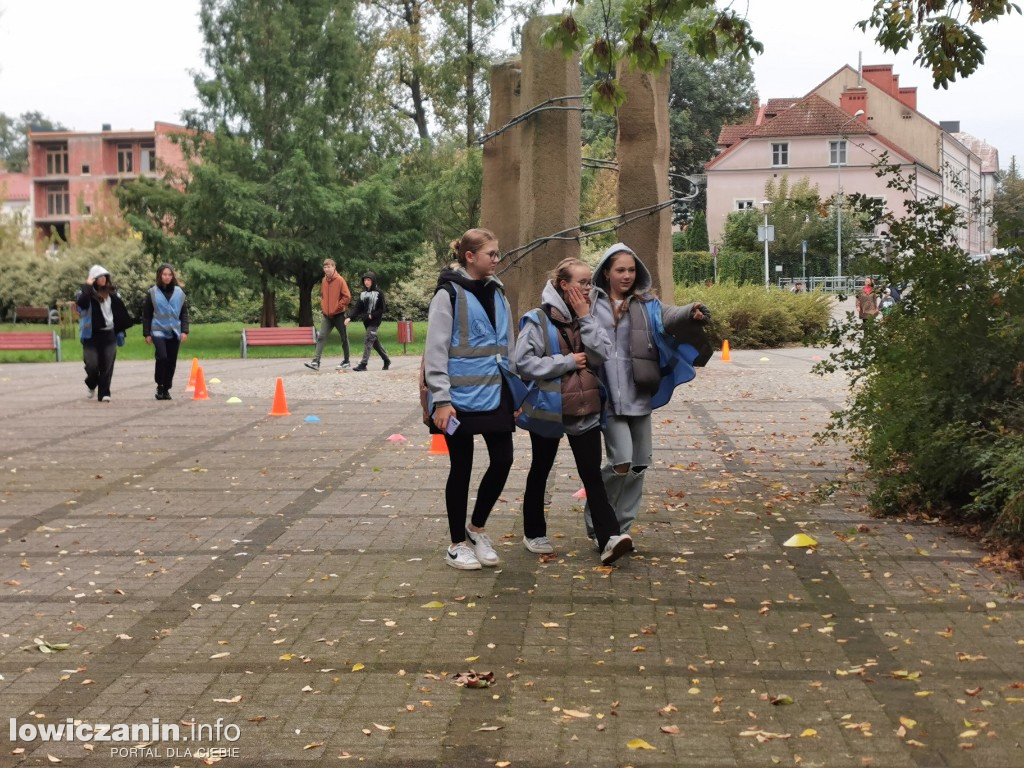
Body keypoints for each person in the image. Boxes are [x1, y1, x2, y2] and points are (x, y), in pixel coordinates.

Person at [585, 243, 712, 544]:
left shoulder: (646, 304)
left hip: (639, 395)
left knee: (639, 465)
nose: (627, 275)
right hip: (607, 399)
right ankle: (598, 520)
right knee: (621, 463)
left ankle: (621, 528)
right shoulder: (590, 303)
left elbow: (670, 316)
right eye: (620, 270)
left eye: (631, 270)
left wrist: (691, 312)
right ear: (606, 272)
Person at [514, 258, 633, 564]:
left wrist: (586, 318)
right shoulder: (537, 319)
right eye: (581, 282)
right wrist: (565, 362)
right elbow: (522, 363)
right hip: (549, 409)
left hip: (586, 408)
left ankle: (609, 538)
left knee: (591, 474)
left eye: (589, 283)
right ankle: (534, 532)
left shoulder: (589, 316)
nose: (587, 288)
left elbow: (603, 353)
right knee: (541, 469)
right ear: (563, 285)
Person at [424, 228, 519, 570]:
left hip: (496, 394)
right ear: (470, 256)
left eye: (497, 253)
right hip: (457, 400)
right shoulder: (447, 294)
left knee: (503, 460)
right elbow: (435, 350)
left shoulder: (498, 292)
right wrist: (442, 399)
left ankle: (476, 529)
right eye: (491, 253)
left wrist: (514, 390)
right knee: (460, 468)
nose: (497, 259)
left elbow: (507, 346)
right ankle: (456, 545)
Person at [76, 264, 132, 403]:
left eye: (105, 276)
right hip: (91, 335)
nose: (103, 279)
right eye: (99, 277)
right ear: (93, 279)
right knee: (91, 365)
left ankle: (105, 392)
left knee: (107, 365)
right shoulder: (86, 295)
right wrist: (87, 286)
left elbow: (120, 312)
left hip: (109, 334)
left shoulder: (113, 294)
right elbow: (80, 305)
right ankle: (91, 383)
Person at [142, 263, 189, 400]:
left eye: (169, 274)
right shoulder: (152, 292)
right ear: (159, 276)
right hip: (158, 330)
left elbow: (184, 314)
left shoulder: (179, 293)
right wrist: (147, 333)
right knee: (162, 357)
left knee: (171, 361)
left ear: (172, 276)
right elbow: (147, 314)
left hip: (174, 331)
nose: (167, 277)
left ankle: (166, 388)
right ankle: (159, 385)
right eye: (164, 274)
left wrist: (184, 330)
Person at [305, 259, 352, 371]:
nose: (326, 269)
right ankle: (316, 361)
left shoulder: (340, 280)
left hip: (339, 315)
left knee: (344, 338)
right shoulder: (324, 281)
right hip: (327, 316)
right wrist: (324, 306)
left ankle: (346, 361)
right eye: (325, 267)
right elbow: (323, 296)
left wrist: (338, 306)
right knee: (321, 337)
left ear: (334, 267)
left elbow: (347, 297)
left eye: (329, 267)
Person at [345, 272, 390, 371]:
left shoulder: (379, 293)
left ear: (373, 281)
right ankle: (386, 359)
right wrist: (350, 317)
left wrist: (372, 315)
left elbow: (382, 309)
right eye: (365, 280)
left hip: (375, 321)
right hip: (366, 322)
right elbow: (358, 308)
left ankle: (363, 364)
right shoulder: (363, 294)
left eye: (369, 280)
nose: (366, 282)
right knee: (374, 342)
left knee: (368, 340)